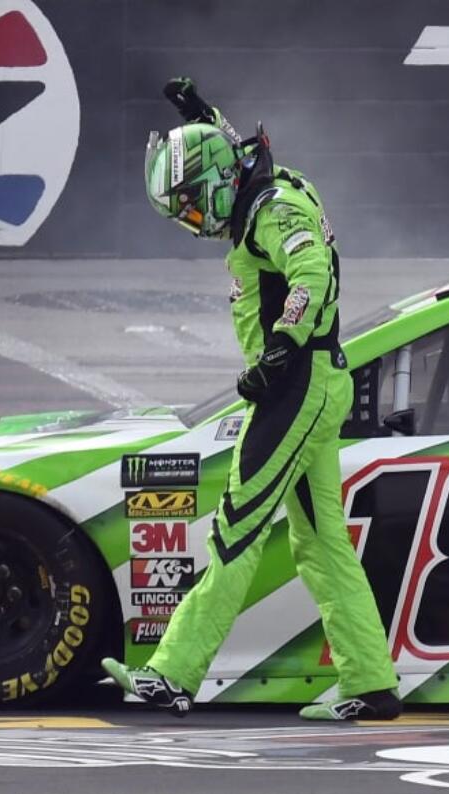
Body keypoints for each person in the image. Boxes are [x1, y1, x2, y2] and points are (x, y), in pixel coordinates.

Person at [100, 78, 401, 721]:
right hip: (315, 384)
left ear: (215, 187)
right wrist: (200, 115)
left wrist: (281, 347)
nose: (190, 223)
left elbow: (310, 271)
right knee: (321, 545)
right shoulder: (258, 181)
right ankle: (372, 683)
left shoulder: (270, 212)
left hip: (293, 388)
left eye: (187, 208)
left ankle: (172, 673)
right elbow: (234, 153)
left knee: (235, 533)